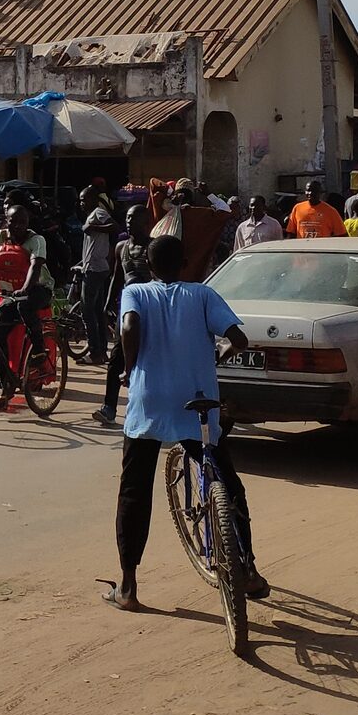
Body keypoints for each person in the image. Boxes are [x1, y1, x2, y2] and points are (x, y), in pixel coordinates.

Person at [101, 234, 259, 611]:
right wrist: (219, 351)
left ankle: (127, 586)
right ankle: (248, 569)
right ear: (185, 261)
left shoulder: (137, 292)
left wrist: (130, 365)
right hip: (197, 403)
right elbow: (239, 338)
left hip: (149, 401)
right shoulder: (202, 295)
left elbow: (128, 328)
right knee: (226, 481)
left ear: (150, 267)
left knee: (134, 492)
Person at [0, 203, 51, 410]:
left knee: (26, 307)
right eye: (13, 221)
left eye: (22, 222)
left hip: (38, 288)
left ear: (27, 223)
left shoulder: (36, 240)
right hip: (11, 292)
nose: (17, 226)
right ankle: (7, 383)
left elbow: (35, 266)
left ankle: (40, 350)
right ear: (6, 221)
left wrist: (25, 289)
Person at [92, 205, 155, 425]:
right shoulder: (121, 247)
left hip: (150, 310)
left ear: (145, 222)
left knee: (149, 359)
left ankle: (149, 409)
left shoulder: (153, 247)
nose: (128, 222)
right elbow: (117, 277)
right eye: (127, 218)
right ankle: (109, 407)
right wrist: (108, 303)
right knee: (117, 358)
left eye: (134, 219)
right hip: (127, 309)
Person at [78, 206, 119, 363]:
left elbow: (114, 226)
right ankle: (101, 351)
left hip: (95, 269)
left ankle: (95, 351)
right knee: (97, 310)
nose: (82, 203)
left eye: (84, 200)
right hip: (93, 267)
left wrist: (93, 226)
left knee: (87, 310)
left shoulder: (98, 212)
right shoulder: (91, 214)